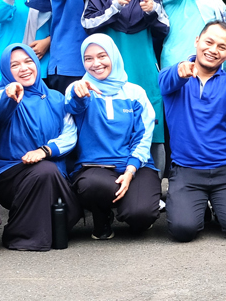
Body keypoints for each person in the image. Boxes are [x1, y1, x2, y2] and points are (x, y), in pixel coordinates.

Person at [158, 21, 226, 242]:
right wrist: (180, 70)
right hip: (186, 169)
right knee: (183, 230)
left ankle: (221, 206)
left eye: (221, 47)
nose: (213, 50)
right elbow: (168, 81)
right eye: (208, 42)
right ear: (197, 41)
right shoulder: (174, 76)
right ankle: (201, 208)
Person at [64, 35, 161, 240]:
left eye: (102, 56)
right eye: (88, 58)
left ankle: (131, 208)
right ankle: (102, 216)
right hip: (94, 168)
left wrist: (130, 170)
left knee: (140, 215)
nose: (95, 63)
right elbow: (73, 107)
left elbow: (143, 135)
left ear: (114, 56)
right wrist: (77, 93)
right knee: (92, 186)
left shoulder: (135, 93)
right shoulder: (79, 89)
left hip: (135, 165)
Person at [0, 43, 77, 251]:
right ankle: (20, 235)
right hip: (10, 172)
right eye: (14, 65)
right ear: (6, 70)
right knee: (45, 171)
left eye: (28, 61)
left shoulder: (56, 98)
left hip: (52, 171)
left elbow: (70, 134)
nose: (24, 68)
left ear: (37, 63)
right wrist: (9, 95)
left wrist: (45, 151)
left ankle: (46, 228)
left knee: (49, 173)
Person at [82, 0, 169, 147]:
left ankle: (151, 165)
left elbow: (165, 28)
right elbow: (87, 23)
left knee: (148, 112)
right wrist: (115, 6)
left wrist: (153, 9)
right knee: (112, 113)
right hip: (108, 63)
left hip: (143, 63)